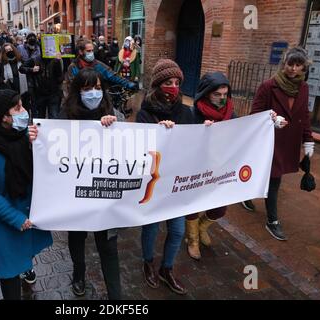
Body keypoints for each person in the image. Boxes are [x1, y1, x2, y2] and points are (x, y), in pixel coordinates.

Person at [0, 90, 53, 300]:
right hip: (4, 224)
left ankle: (27, 268)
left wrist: (40, 142)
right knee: (9, 275)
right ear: (4, 117)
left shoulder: (25, 137)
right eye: (17, 108)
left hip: (27, 212)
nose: (24, 111)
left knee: (24, 256)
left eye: (23, 105)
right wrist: (17, 219)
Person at [60, 68, 121, 300]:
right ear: (78, 92)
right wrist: (37, 138)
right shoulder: (66, 115)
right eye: (87, 89)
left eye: (97, 88)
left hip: (104, 196)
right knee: (77, 237)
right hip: (76, 194)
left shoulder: (112, 113)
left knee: (108, 246)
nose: (94, 93)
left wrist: (114, 125)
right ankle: (79, 273)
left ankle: (116, 296)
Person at [243, 47, 314, 241]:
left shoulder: (303, 88)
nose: (293, 68)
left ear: (303, 67)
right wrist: (271, 119)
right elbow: (254, 115)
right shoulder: (268, 86)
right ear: (284, 64)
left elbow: (304, 116)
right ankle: (272, 221)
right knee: (274, 179)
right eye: (290, 64)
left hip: (289, 141)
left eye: (298, 65)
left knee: (267, 174)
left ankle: (245, 194)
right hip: (269, 140)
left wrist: (308, 140)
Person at [136, 59, 192, 295]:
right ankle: (148, 262)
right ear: (158, 85)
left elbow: (195, 140)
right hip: (155, 182)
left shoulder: (185, 111)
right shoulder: (145, 113)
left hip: (176, 182)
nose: (173, 87)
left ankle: (166, 269)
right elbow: (142, 147)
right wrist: (161, 132)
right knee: (152, 227)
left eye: (177, 82)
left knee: (177, 230)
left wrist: (209, 129)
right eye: (168, 82)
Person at [185, 71, 236, 260]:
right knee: (194, 203)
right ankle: (192, 239)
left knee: (220, 207)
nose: (222, 98)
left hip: (220, 167)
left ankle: (201, 227)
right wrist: (201, 132)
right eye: (217, 94)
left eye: (225, 94)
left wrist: (267, 121)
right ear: (207, 93)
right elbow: (183, 142)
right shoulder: (192, 113)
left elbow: (244, 131)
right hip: (197, 168)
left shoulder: (231, 112)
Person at [65, 39, 137, 94]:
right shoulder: (73, 67)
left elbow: (112, 75)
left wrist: (128, 84)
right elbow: (71, 87)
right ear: (81, 52)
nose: (91, 53)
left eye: (92, 51)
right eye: (88, 51)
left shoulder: (97, 64)